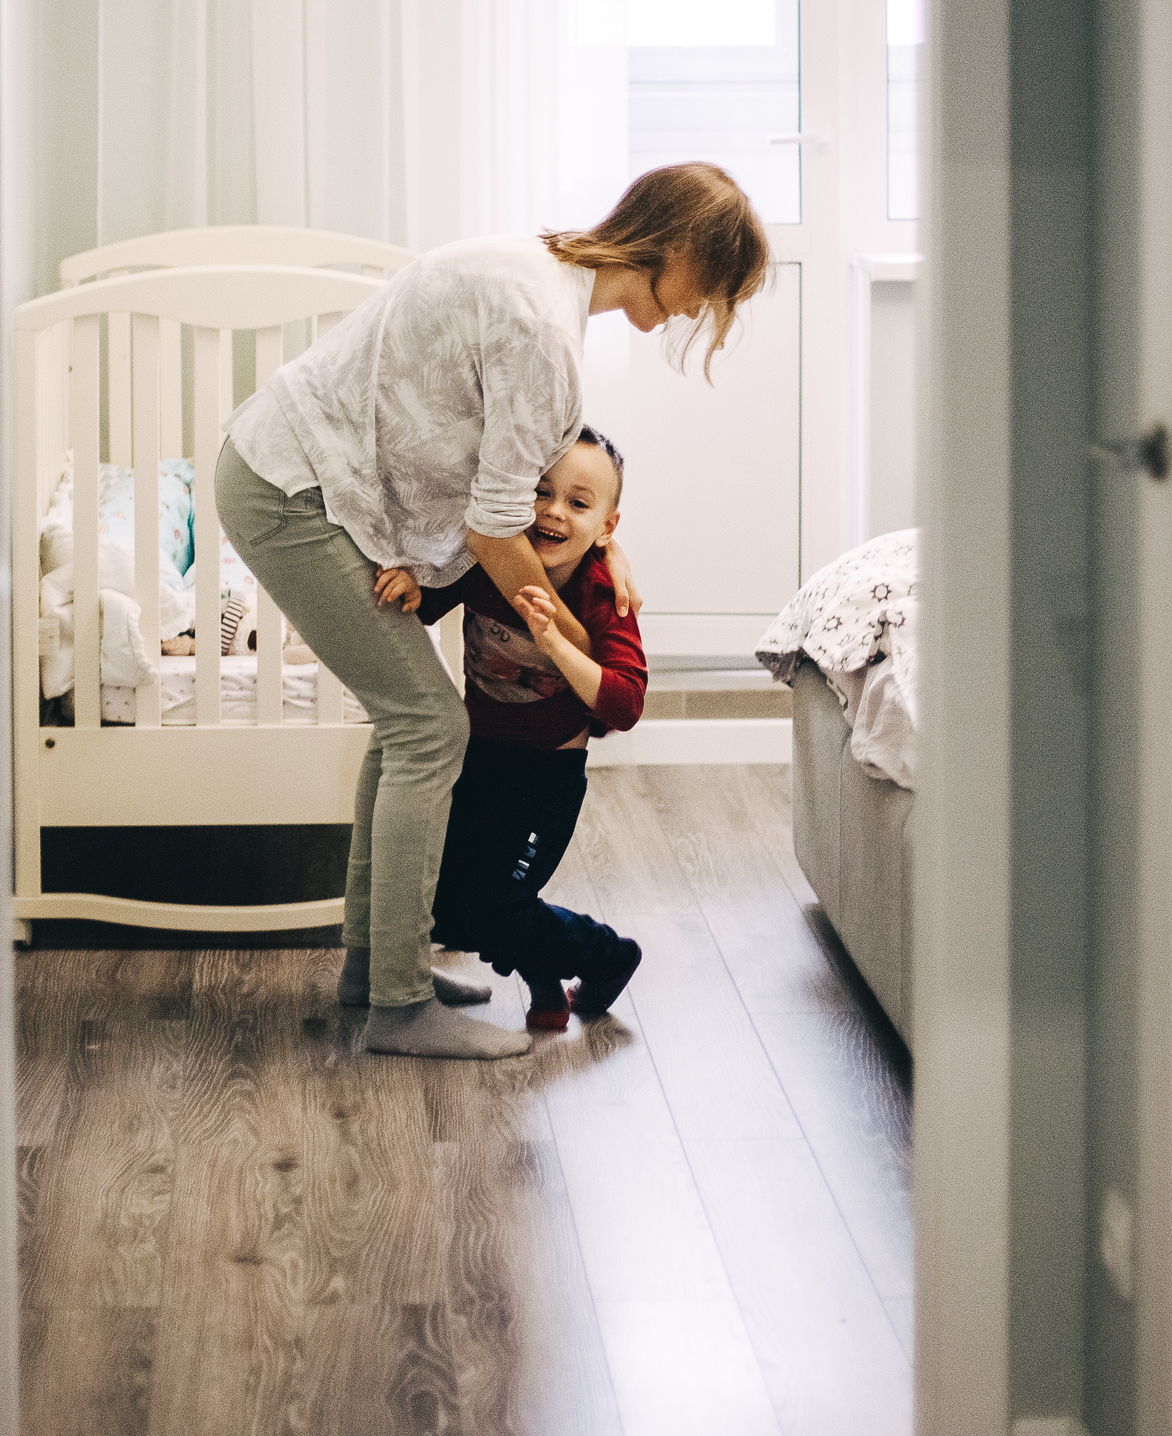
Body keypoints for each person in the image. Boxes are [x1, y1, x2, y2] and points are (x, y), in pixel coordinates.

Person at [216, 163, 769, 1059]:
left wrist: (607, 549)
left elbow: (529, 485)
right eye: (709, 292)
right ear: (678, 252)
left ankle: (374, 968)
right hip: (292, 489)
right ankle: (398, 1003)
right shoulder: (547, 334)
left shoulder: (535, 269)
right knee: (431, 726)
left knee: (405, 726)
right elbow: (496, 526)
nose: (697, 314)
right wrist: (578, 635)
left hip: (290, 469)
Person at [374, 428, 647, 1031]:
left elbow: (626, 704)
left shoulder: (604, 592)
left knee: (496, 902)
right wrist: (413, 585)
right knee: (449, 901)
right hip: (480, 759)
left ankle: (607, 954)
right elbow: (428, 601)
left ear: (607, 526)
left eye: (578, 503)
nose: (553, 511)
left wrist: (554, 640)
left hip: (546, 779)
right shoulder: (493, 563)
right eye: (541, 492)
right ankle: (544, 975)